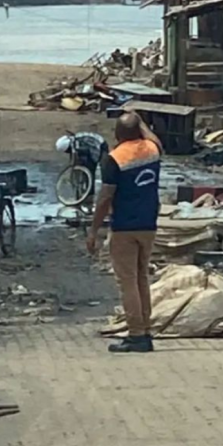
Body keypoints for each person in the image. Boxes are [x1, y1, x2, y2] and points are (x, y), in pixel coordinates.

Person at [87, 113, 162, 354]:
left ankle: (136, 335)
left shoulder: (114, 159)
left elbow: (105, 197)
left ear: (118, 135)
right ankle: (145, 330)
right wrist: (140, 121)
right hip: (148, 225)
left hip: (124, 228)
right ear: (139, 131)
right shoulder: (152, 149)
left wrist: (93, 230)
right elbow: (156, 140)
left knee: (127, 281)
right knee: (141, 278)